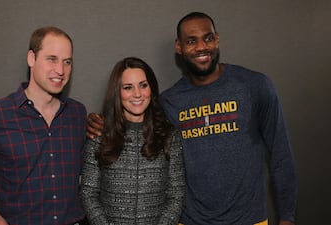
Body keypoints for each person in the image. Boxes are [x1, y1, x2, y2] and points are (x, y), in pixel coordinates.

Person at [86, 12, 297, 225]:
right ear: (179, 47)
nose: (201, 47)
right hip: (191, 220)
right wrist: (103, 123)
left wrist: (287, 217)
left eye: (208, 38)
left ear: (217, 40)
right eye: (191, 41)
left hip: (248, 219)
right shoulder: (169, 101)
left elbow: (281, 155)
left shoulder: (255, 86)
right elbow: (137, 120)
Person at [0, 26, 88, 225]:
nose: (60, 70)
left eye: (67, 62)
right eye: (51, 59)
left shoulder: (77, 114)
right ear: (32, 58)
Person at [80, 57, 185, 225]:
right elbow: (88, 193)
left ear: (151, 88)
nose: (137, 94)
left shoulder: (169, 136)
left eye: (143, 85)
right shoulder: (99, 136)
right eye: (128, 87)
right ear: (117, 92)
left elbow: (176, 194)